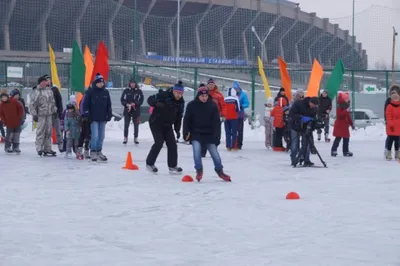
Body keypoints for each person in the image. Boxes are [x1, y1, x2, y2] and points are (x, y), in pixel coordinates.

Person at [183, 85, 231, 182]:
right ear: (198, 96)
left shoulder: (212, 106)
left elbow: (216, 123)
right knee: (197, 152)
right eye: (202, 96)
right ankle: (199, 170)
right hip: (196, 133)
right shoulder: (192, 105)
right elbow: (187, 120)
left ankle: (220, 171)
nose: (204, 98)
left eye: (206, 96)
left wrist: (217, 136)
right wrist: (186, 133)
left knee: (215, 153)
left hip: (209, 134)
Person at [145, 81, 185, 173]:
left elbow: (179, 117)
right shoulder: (164, 95)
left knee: (172, 144)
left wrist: (177, 130)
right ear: (173, 91)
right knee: (159, 142)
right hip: (155, 122)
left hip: (167, 125)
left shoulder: (181, 102)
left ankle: (172, 165)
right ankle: (150, 163)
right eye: (178, 93)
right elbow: (149, 99)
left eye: (181, 93)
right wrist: (155, 103)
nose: (179, 95)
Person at [83, 73, 112, 162]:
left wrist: (109, 114)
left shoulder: (105, 92)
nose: (101, 84)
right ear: (95, 83)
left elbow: (108, 104)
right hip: (93, 118)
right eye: (99, 82)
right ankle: (93, 151)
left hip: (102, 118)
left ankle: (99, 151)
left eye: (102, 82)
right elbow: (85, 105)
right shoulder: (90, 92)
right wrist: (88, 114)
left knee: (101, 136)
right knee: (94, 136)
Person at [29, 75, 58, 156]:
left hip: (49, 114)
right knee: (40, 131)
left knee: (48, 132)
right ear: (40, 82)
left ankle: (47, 148)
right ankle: (39, 148)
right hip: (40, 115)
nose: (45, 83)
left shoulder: (49, 91)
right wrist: (34, 114)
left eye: (46, 81)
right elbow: (32, 104)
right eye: (43, 81)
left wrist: (54, 111)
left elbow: (52, 102)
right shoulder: (37, 91)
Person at [289, 96, 319, 166]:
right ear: (310, 102)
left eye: (315, 106)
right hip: (295, 126)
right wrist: (301, 117)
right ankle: (294, 159)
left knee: (306, 143)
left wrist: (314, 122)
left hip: (305, 128)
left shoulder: (314, 108)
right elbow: (292, 114)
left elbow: (313, 117)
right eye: (313, 105)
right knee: (295, 143)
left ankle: (306, 160)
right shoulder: (299, 104)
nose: (313, 106)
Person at [201, 78, 226, 156]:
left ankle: (214, 150)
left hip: (216, 117)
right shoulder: (204, 94)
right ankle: (203, 151)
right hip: (205, 117)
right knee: (204, 133)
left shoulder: (219, 95)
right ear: (207, 85)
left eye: (212, 84)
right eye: (209, 84)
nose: (211, 86)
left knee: (216, 134)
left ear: (214, 85)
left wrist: (223, 115)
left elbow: (223, 106)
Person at [39, 75, 64, 152]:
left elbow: (59, 100)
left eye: (49, 80)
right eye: (46, 80)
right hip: (46, 114)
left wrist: (60, 111)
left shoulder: (55, 89)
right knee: (47, 132)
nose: (47, 81)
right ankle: (47, 147)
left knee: (58, 130)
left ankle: (61, 145)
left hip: (54, 113)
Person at [120, 78, 144, 145]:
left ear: (135, 84)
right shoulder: (126, 91)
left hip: (136, 111)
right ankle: (125, 138)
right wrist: (126, 104)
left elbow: (141, 100)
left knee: (136, 125)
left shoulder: (139, 91)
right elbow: (122, 99)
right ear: (129, 84)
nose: (132, 84)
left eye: (134, 83)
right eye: (131, 83)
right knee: (126, 125)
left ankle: (136, 138)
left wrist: (135, 103)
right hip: (127, 110)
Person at [331, 92, 354, 157]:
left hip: (345, 126)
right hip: (339, 125)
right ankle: (333, 150)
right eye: (346, 99)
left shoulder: (346, 106)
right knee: (338, 138)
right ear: (343, 99)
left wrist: (351, 124)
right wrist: (346, 111)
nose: (347, 100)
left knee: (346, 139)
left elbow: (348, 116)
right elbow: (340, 116)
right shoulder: (339, 106)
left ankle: (345, 151)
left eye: (347, 99)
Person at [232, 81, 249, 149]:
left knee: (240, 130)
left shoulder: (243, 95)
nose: (235, 90)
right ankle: (233, 143)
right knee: (233, 130)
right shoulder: (231, 94)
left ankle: (239, 144)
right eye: (234, 88)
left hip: (240, 115)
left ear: (239, 88)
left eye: (236, 88)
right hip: (232, 115)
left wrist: (241, 106)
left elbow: (247, 103)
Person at [385, 86, 400, 160]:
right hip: (391, 127)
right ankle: (388, 153)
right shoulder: (389, 106)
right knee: (390, 140)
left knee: (397, 141)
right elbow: (388, 116)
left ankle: (397, 153)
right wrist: (390, 124)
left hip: (398, 127)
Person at [77, 88, 91, 159]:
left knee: (88, 135)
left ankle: (86, 149)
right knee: (84, 134)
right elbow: (81, 106)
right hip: (85, 118)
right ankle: (80, 149)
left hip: (91, 118)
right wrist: (84, 115)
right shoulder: (87, 94)